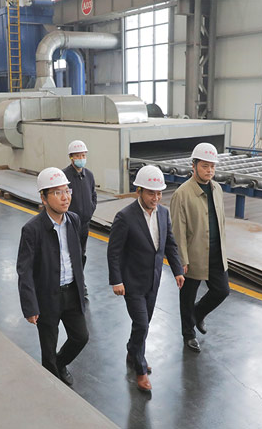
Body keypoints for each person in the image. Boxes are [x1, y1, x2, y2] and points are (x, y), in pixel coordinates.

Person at [107, 165, 184, 393]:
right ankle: (140, 369)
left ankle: (133, 350)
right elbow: (114, 252)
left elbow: (169, 244)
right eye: (151, 193)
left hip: (153, 280)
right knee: (141, 324)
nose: (156, 198)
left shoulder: (163, 213)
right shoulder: (125, 217)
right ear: (138, 191)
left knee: (143, 324)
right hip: (132, 282)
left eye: (159, 193)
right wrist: (116, 280)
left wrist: (177, 270)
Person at [17, 167, 89, 386]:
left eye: (67, 191)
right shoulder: (32, 229)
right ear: (44, 198)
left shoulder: (74, 220)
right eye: (58, 193)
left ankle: (60, 364)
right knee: (48, 348)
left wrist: (81, 288)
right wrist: (30, 306)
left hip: (71, 292)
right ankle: (52, 388)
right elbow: (25, 270)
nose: (65, 197)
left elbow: (77, 256)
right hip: (47, 296)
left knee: (81, 337)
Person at [170, 142, 229, 354]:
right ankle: (188, 334)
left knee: (222, 290)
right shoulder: (182, 194)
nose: (209, 170)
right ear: (193, 166)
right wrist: (182, 260)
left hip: (215, 253)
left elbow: (221, 222)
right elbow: (178, 231)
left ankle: (198, 314)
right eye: (205, 166)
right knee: (187, 297)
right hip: (193, 255)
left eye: (212, 166)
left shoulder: (217, 189)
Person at [63, 140, 96, 270]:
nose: (81, 158)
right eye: (77, 156)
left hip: (84, 224)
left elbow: (93, 195)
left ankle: (80, 277)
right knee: (70, 252)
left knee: (82, 252)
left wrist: (90, 210)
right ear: (71, 157)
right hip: (70, 224)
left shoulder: (89, 175)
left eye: (83, 155)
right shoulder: (64, 176)